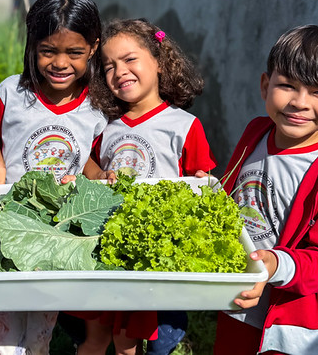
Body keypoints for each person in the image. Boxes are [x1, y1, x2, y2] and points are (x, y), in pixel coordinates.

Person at [66, 19, 217, 355]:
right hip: (105, 243)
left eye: (130, 59)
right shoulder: (105, 124)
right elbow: (87, 162)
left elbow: (201, 181)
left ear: (159, 62)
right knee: (95, 334)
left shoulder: (184, 126)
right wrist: (97, 174)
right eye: (108, 66)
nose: (119, 71)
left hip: (153, 251)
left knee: (128, 338)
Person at [213, 25, 318, 355]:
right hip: (238, 302)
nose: (299, 102)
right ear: (266, 86)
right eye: (287, 86)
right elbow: (233, 195)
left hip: (288, 323)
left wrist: (274, 265)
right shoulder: (257, 130)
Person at [0, 0, 108, 355]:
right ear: (32, 45)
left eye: (74, 53)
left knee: (42, 327)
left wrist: (97, 179)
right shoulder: (13, 93)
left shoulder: (96, 108)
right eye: (48, 50)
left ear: (93, 48)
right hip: (9, 220)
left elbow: (86, 160)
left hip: (57, 231)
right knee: (2, 324)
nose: (60, 62)